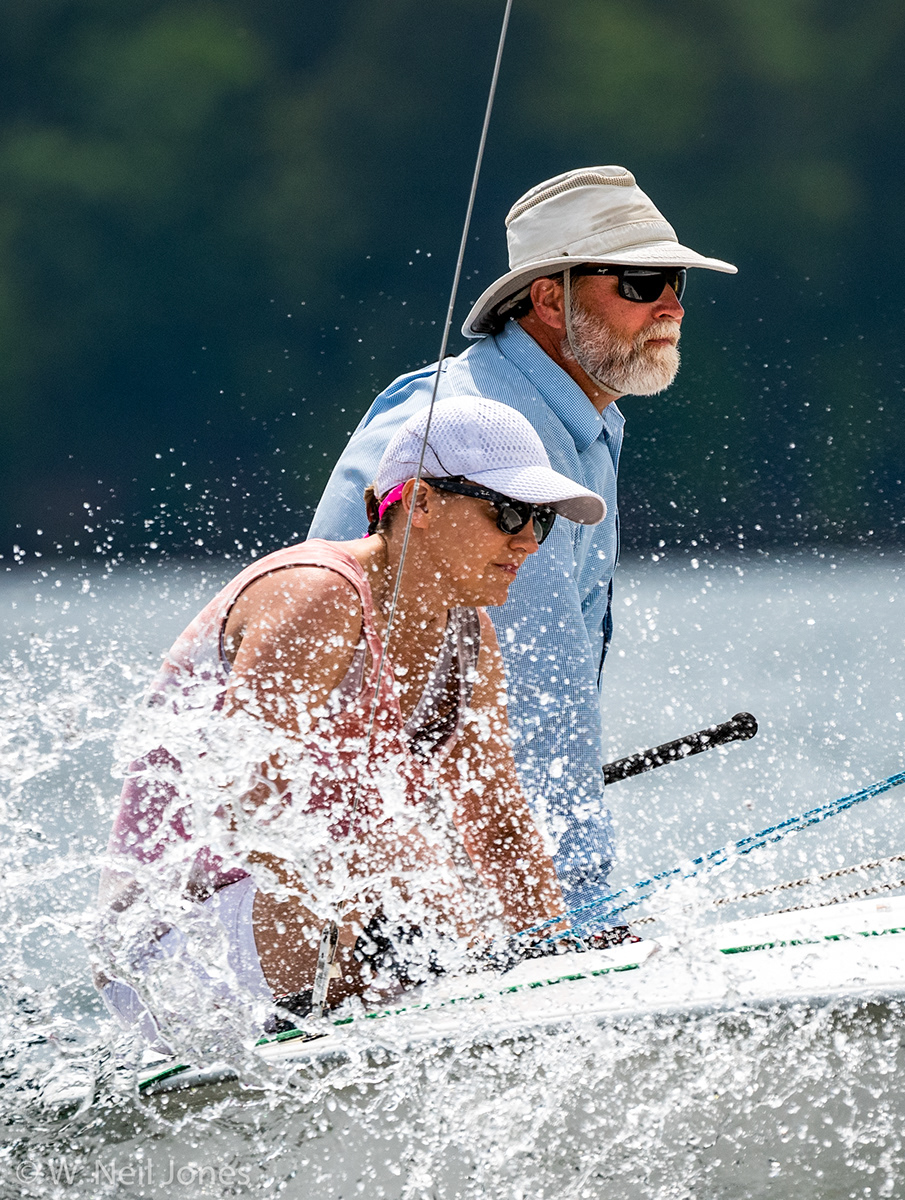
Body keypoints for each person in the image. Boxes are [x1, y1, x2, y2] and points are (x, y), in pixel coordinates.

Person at [96, 397, 604, 1044]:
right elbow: (249, 806)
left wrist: (556, 959)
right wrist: (409, 912)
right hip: (168, 943)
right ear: (420, 503)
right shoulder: (319, 594)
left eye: (542, 520)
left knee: (463, 899)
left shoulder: (470, 636)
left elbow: (499, 827)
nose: (528, 540)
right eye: (507, 513)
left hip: (312, 923)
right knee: (414, 881)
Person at [309, 166, 736, 919]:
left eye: (676, 283)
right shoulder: (494, 434)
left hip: (416, 858)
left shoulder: (572, 419)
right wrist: (583, 916)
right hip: (342, 885)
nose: (670, 305)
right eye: (640, 283)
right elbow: (540, 711)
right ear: (549, 298)